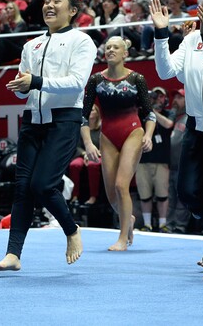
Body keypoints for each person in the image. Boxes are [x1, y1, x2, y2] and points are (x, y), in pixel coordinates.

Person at [0, 0, 96, 272]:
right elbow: (27, 87)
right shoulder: (31, 45)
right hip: (32, 121)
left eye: (57, 1)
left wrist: (35, 82)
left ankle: (72, 230)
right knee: (22, 187)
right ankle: (13, 254)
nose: (49, 5)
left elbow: (77, 83)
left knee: (43, 184)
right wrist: (21, 87)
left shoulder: (82, 41)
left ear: (73, 10)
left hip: (64, 120)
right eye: (47, 1)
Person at [151, 0, 203, 280]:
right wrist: (161, 35)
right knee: (188, 192)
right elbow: (166, 71)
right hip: (196, 127)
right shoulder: (191, 38)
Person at [80, 36, 155, 251]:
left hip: (133, 132)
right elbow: (84, 117)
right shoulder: (96, 80)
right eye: (108, 47)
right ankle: (128, 219)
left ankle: (123, 238)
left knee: (122, 185)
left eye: (116, 47)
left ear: (125, 53)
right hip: (108, 136)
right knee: (112, 194)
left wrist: (148, 135)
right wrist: (88, 143)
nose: (111, 50)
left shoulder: (136, 79)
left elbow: (149, 114)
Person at [137, 86, 173, 232]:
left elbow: (168, 124)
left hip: (161, 161)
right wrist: (147, 108)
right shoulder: (141, 113)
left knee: (162, 195)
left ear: (165, 99)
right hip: (142, 160)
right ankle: (147, 224)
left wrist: (153, 112)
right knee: (144, 195)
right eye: (154, 96)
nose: (157, 99)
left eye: (160, 96)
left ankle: (163, 224)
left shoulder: (169, 113)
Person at [166, 88, 190, 233]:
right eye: (174, 97)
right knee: (171, 197)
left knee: (182, 198)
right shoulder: (173, 118)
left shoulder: (189, 119)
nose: (175, 100)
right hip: (171, 165)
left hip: (184, 166)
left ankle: (180, 225)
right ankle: (169, 225)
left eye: (179, 98)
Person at [69, 104, 102, 206]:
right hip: (83, 154)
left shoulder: (102, 127)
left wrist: (95, 153)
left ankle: (93, 196)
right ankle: (74, 196)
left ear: (97, 113)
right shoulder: (81, 127)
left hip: (99, 155)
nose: (90, 112)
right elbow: (77, 145)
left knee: (93, 165)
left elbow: (105, 144)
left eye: (92, 110)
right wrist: (85, 154)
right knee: (74, 165)